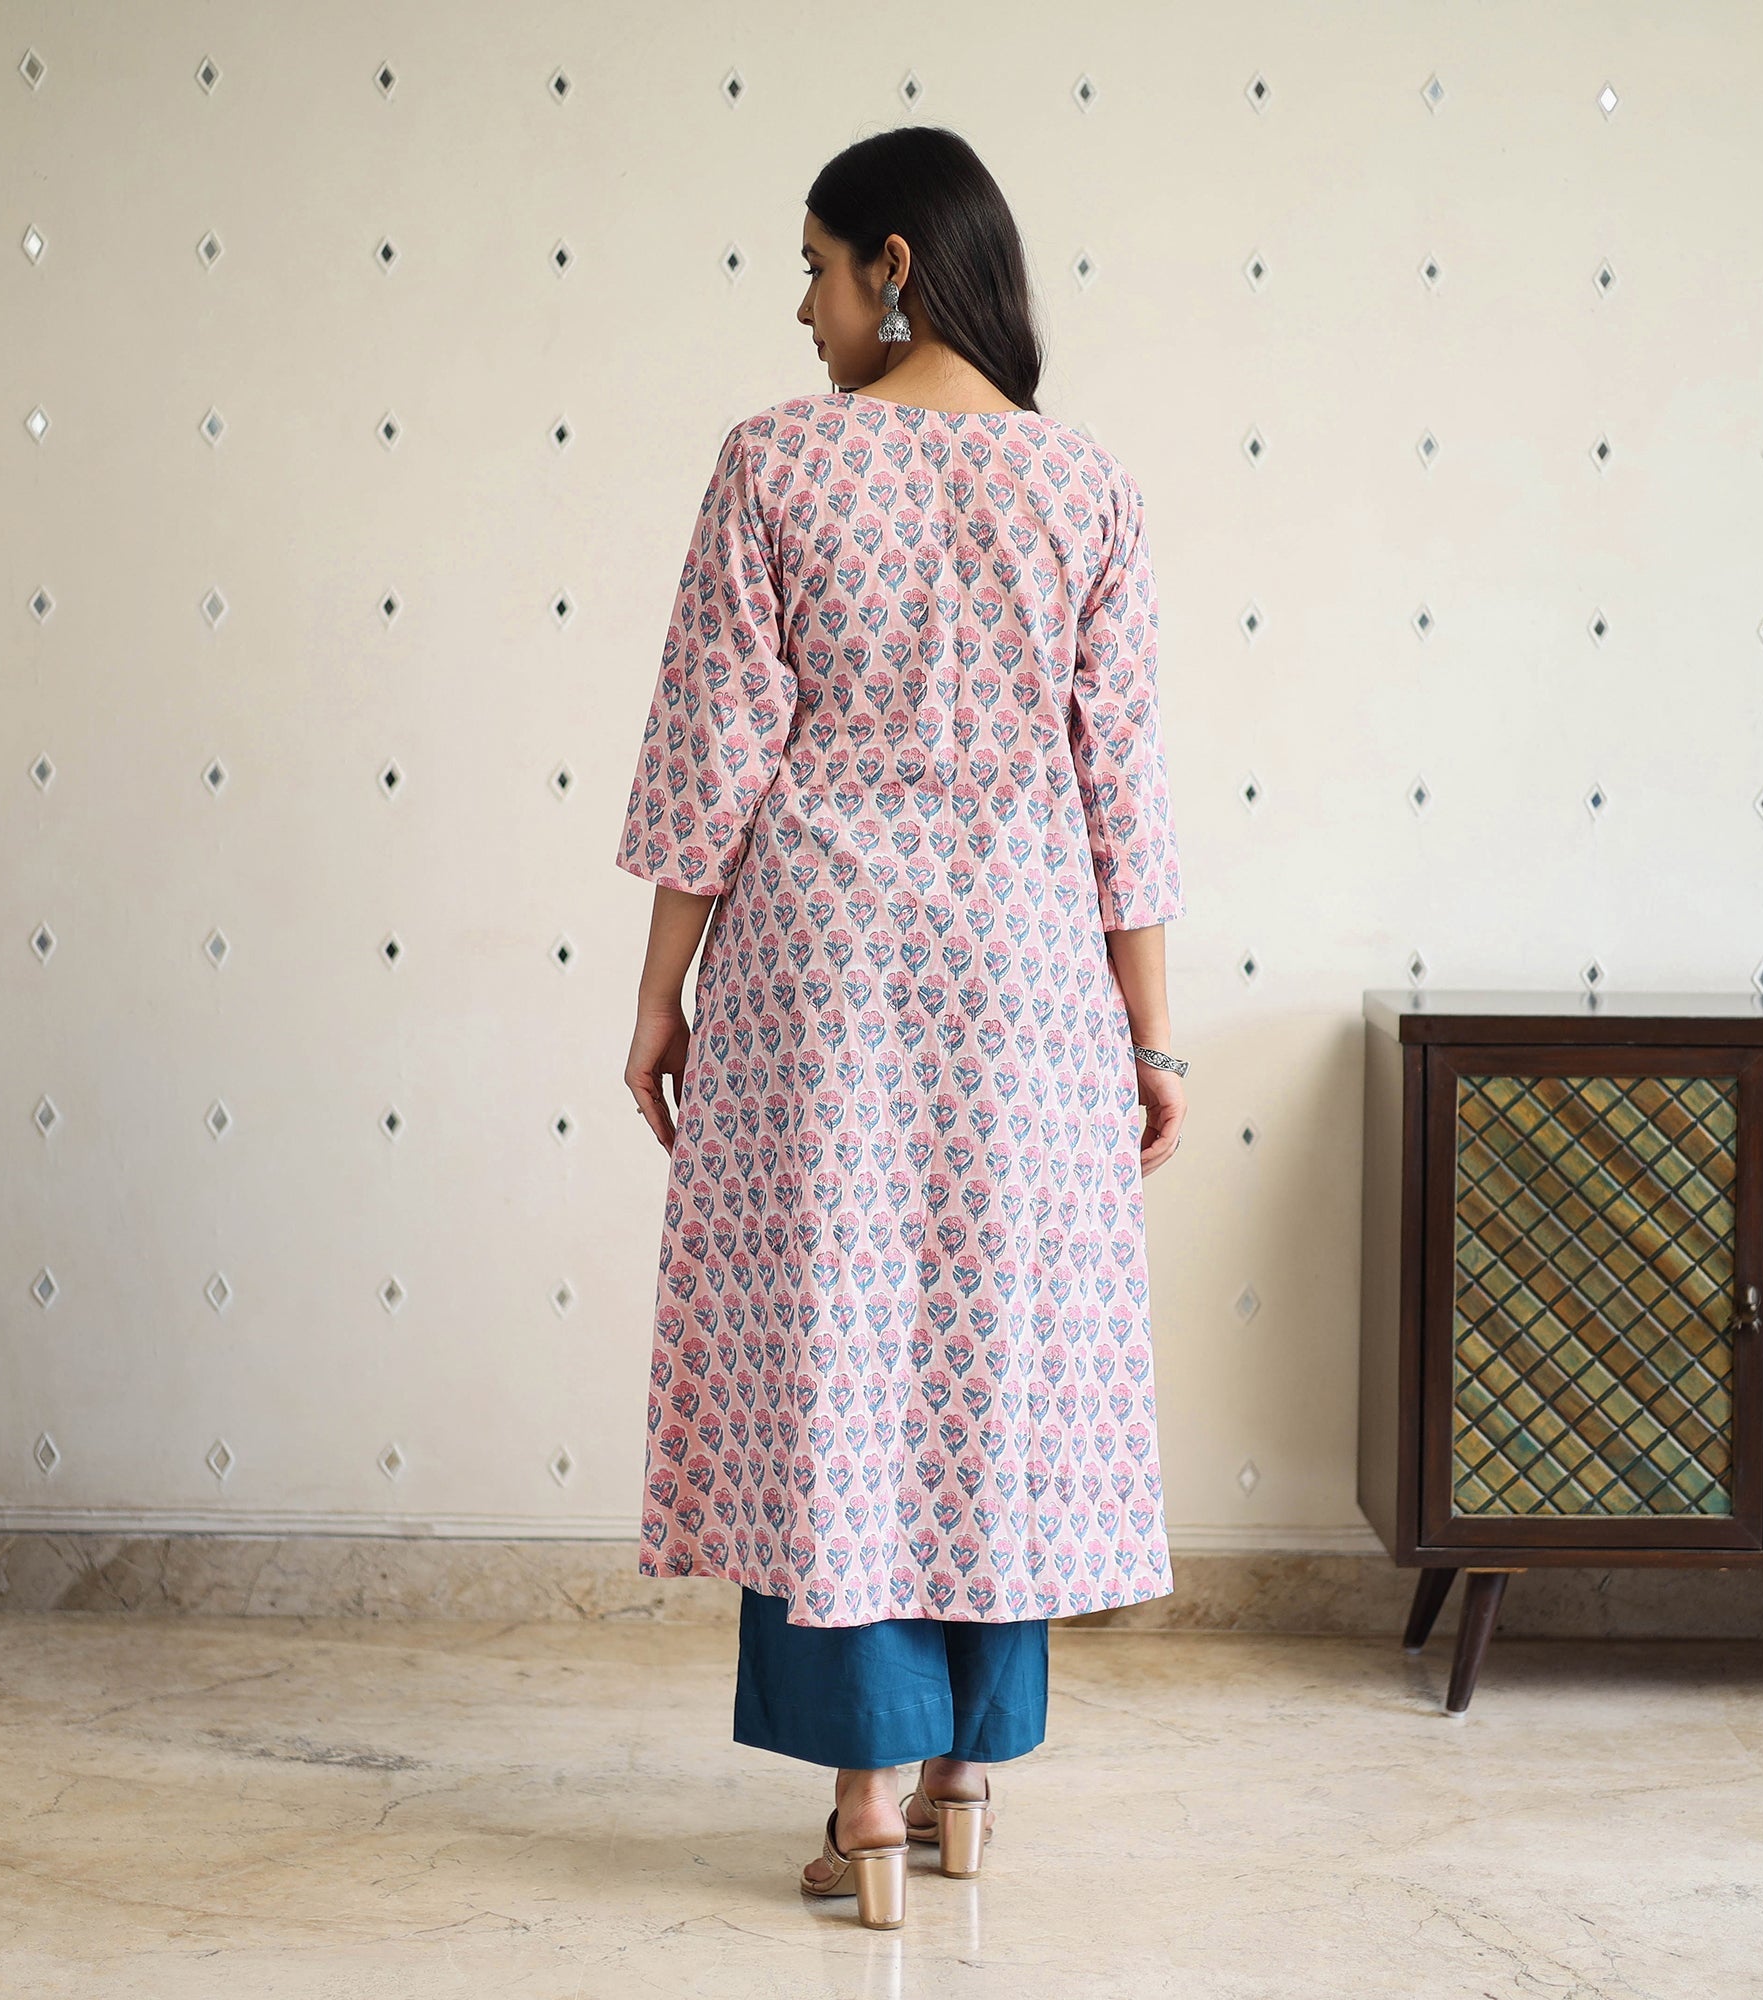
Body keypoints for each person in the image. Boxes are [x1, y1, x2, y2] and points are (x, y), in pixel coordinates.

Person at [614, 126, 1188, 1930]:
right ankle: (963, 1785)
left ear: (894, 267)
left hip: (825, 982)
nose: (801, 307)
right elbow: (1124, 787)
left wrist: (658, 994)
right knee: (989, 1357)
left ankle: (865, 1798)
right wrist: (1151, 1038)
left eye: (813, 267)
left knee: (838, 1357)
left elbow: (714, 747)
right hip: (1028, 987)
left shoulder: (778, 461)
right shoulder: (1086, 487)